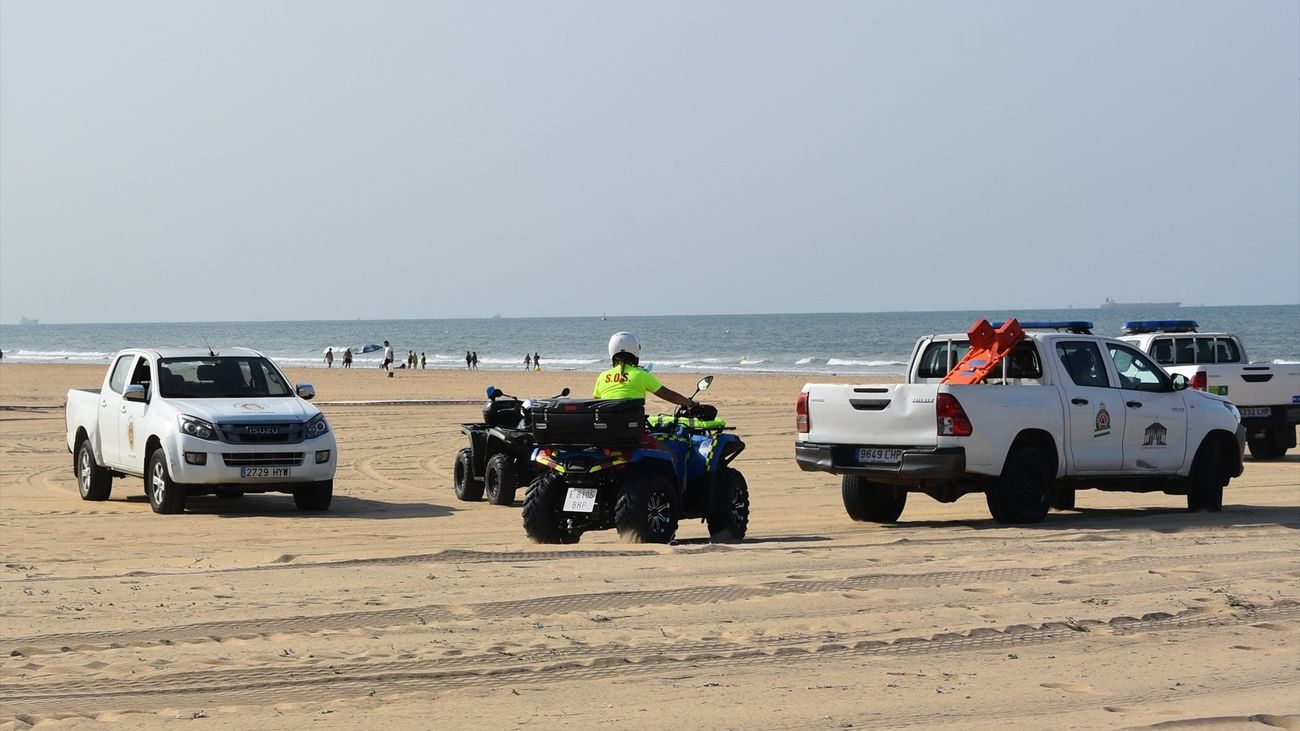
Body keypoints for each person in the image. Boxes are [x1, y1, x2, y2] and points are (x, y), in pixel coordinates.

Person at [594, 332, 697, 409]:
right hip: (634, 430)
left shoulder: (602, 377)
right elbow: (669, 395)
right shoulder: (641, 375)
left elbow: (597, 402)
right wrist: (690, 403)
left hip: (607, 431)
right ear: (635, 351)